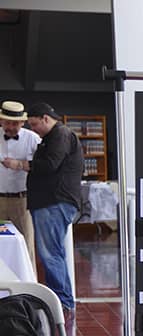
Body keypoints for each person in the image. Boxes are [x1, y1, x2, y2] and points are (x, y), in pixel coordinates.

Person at [25, 102, 84, 313]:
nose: (33, 130)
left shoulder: (60, 135)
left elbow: (50, 164)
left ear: (45, 119)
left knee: (50, 254)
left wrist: (23, 164)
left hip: (53, 201)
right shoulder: (54, 136)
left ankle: (62, 302)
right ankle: (61, 300)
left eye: (34, 125)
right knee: (53, 253)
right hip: (52, 201)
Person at [0, 100, 40, 268]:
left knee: (26, 245)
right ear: (1, 121)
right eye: (7, 122)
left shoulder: (33, 139)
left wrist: (20, 164)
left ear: (23, 123)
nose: (10, 127)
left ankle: (29, 286)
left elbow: (42, 166)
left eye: (15, 124)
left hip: (22, 200)